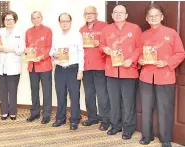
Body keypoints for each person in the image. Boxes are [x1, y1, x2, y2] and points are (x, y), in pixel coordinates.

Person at [138, 4, 185, 147]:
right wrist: (140, 60)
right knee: (146, 108)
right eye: (150, 16)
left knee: (165, 110)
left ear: (162, 17)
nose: (153, 18)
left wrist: (166, 62)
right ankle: (147, 136)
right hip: (146, 77)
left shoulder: (171, 33)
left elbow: (180, 53)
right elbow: (139, 54)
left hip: (165, 77)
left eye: (156, 15)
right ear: (147, 18)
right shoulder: (143, 35)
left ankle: (165, 140)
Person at [100, 5, 142, 140]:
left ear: (126, 15)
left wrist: (131, 59)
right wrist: (104, 49)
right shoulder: (106, 29)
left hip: (128, 71)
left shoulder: (135, 29)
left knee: (128, 103)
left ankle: (128, 129)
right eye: (116, 12)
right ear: (112, 15)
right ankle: (115, 126)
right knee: (114, 101)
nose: (118, 14)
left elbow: (139, 48)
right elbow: (101, 45)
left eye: (121, 12)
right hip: (111, 71)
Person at [50, 13, 84, 130]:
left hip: (73, 69)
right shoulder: (56, 35)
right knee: (60, 95)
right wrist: (53, 54)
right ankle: (60, 118)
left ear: (70, 22)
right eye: (62, 21)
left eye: (67, 21)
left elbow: (81, 53)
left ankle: (74, 119)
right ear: (59, 23)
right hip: (59, 69)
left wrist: (80, 70)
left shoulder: (77, 34)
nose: (64, 23)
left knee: (74, 95)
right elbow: (51, 50)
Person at [79, 6, 110, 131]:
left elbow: (112, 43)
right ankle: (92, 117)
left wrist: (100, 44)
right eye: (86, 13)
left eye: (91, 13)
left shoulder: (104, 26)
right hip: (86, 66)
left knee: (102, 94)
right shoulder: (81, 29)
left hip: (100, 66)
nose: (89, 15)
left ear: (96, 15)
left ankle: (105, 120)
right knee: (89, 94)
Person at [0, 10, 25, 120]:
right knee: (2, 90)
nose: (8, 21)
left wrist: (9, 49)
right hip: (0, 65)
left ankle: (12, 112)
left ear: (14, 20)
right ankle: (4, 112)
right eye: (6, 19)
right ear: (3, 21)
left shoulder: (20, 33)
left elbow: (22, 49)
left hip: (13, 66)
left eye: (11, 19)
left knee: (12, 90)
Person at [25, 11, 53, 124]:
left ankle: (46, 114)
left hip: (45, 65)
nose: (36, 19)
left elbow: (49, 47)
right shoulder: (28, 31)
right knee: (34, 90)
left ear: (42, 18)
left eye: (38, 17)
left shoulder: (47, 30)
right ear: (31, 20)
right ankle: (35, 113)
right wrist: (28, 53)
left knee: (47, 91)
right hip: (32, 66)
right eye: (34, 18)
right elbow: (26, 47)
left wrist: (41, 57)